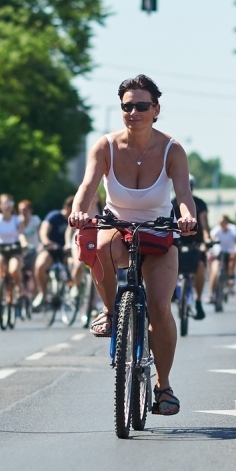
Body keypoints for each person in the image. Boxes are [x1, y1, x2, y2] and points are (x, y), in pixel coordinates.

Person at [69, 73, 196, 416]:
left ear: (156, 109)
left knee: (159, 307)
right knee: (100, 246)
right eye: (127, 107)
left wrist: (186, 217)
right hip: (117, 225)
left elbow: (184, 195)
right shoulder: (106, 146)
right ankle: (111, 313)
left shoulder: (172, 149)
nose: (133, 112)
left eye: (141, 106)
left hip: (158, 231)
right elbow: (88, 185)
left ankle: (163, 386)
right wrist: (79, 212)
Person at [174, 176, 209, 319]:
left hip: (196, 242)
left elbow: (204, 224)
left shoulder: (200, 203)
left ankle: (199, 301)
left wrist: (207, 240)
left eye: (191, 185)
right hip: (178, 240)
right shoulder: (172, 204)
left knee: (199, 268)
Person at [33, 197, 73, 307]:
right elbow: (43, 231)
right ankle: (42, 293)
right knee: (40, 265)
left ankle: (73, 291)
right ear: (69, 207)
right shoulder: (54, 216)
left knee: (74, 266)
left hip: (67, 250)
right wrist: (46, 242)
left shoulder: (75, 219)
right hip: (52, 249)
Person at [209, 215, 236, 299]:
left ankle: (231, 277)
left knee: (232, 259)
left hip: (230, 251)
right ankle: (211, 294)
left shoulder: (233, 229)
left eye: (223, 222)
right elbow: (211, 238)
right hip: (218, 252)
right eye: (220, 222)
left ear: (227, 222)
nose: (221, 224)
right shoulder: (216, 230)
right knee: (214, 272)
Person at [17, 200, 41, 298]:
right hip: (22, 250)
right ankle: (19, 293)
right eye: (21, 210)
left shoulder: (35, 220)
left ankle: (35, 297)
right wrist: (23, 244)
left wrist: (41, 245)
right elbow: (19, 235)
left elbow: (39, 233)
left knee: (34, 273)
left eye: (26, 209)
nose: (24, 212)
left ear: (30, 210)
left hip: (35, 249)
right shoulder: (17, 221)